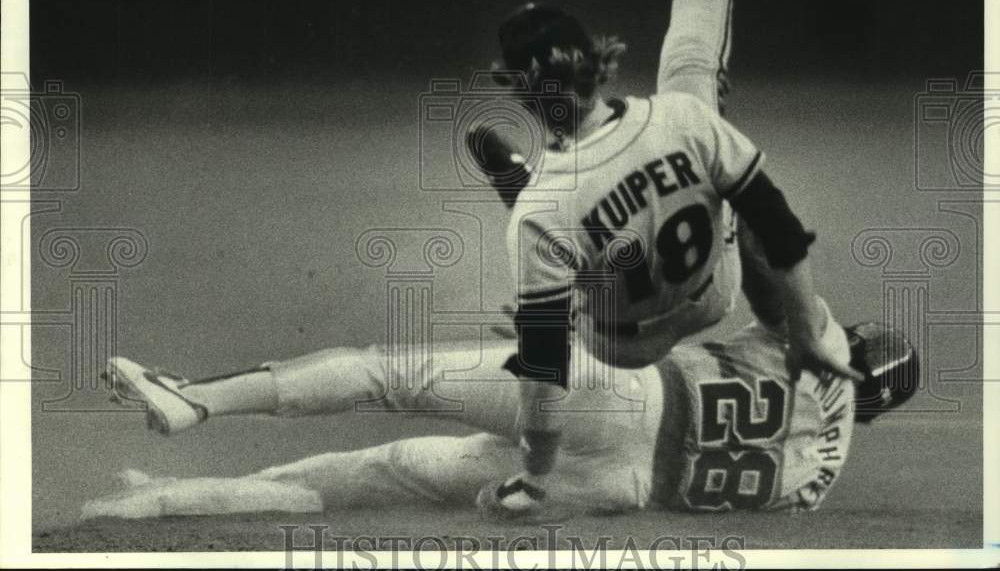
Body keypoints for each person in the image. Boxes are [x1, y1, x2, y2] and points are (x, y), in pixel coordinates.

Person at [476, 0, 860, 514]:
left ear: (519, 92)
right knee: (705, 78)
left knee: (556, 253)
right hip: (711, 286)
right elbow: (779, 222)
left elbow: (544, 375)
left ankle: (540, 226)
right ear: (597, 60)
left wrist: (536, 474)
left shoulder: (546, 210)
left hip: (614, 335)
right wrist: (802, 329)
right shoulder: (681, 118)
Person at [90, 309, 916, 520]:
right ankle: (169, 500)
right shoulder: (816, 486)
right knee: (381, 474)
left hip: (625, 398)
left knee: (391, 374)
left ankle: (194, 399)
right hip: (615, 486)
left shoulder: (820, 342)